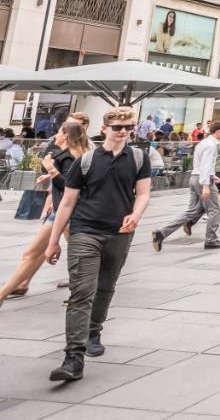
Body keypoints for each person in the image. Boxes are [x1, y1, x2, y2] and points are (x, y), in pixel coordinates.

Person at [44, 107, 152, 381]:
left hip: (120, 233)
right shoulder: (87, 160)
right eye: (118, 127)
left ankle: (94, 330)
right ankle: (73, 357)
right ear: (104, 129)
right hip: (85, 231)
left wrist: (136, 215)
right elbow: (67, 202)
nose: (124, 132)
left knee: (105, 287)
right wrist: (53, 241)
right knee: (81, 292)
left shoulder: (139, 158)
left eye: (128, 127)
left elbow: (143, 193)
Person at [0, 120, 91, 307]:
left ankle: (3, 294)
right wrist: (50, 173)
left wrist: (51, 169)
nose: (55, 135)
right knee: (36, 254)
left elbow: (69, 186)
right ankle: (7, 291)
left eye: (58, 131)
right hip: (63, 213)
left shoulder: (68, 158)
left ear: (66, 135)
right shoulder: (79, 156)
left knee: (36, 254)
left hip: (67, 214)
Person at [151, 124, 220, 251]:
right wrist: (206, 185)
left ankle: (161, 233)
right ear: (217, 131)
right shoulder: (211, 145)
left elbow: (201, 164)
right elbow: (206, 165)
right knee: (214, 209)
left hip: (195, 177)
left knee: (193, 210)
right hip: (202, 180)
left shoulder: (203, 143)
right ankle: (211, 239)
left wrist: (211, 175)